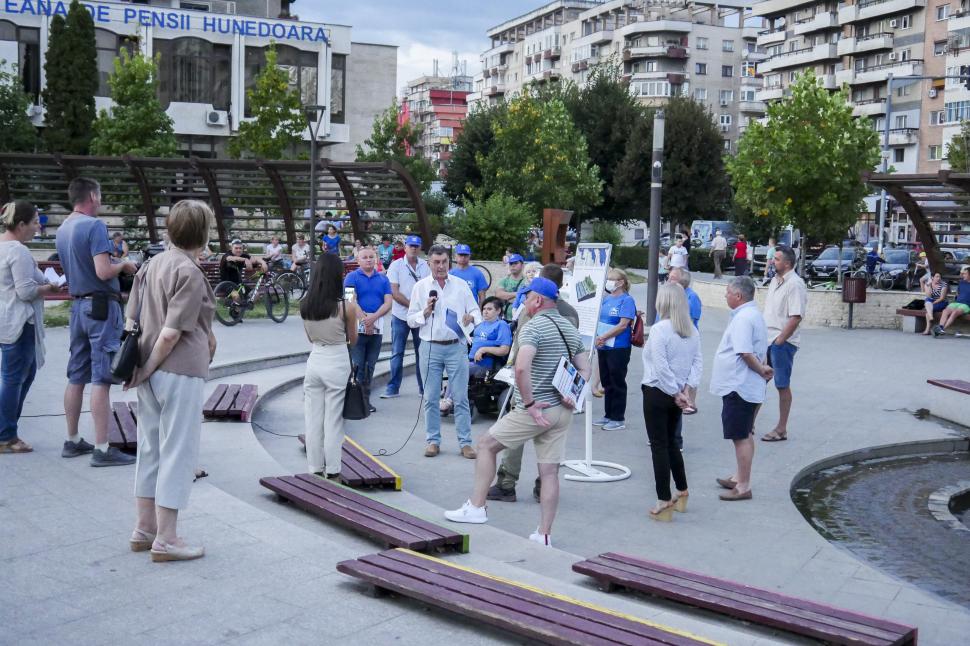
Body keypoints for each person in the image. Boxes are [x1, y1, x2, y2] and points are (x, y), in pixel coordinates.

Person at [445, 277, 589, 546]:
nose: (523, 303)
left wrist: (531, 404)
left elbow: (521, 368)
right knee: (549, 473)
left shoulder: (532, 327)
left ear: (538, 300)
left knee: (486, 445)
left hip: (536, 409)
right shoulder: (568, 328)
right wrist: (572, 395)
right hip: (561, 410)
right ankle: (544, 534)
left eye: (526, 297)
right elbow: (585, 367)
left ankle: (476, 507)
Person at [124, 200, 217, 562]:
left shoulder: (151, 265)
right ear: (203, 233)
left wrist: (141, 369)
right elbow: (171, 333)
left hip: (148, 369)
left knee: (149, 448)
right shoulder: (188, 271)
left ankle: (144, 528)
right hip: (178, 370)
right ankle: (167, 539)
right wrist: (149, 367)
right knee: (178, 452)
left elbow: (131, 320)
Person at [56, 177, 138, 467]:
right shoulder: (94, 226)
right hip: (101, 307)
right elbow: (103, 272)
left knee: (76, 375)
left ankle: (73, 439)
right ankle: (103, 449)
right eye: (100, 196)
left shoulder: (63, 229)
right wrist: (124, 265)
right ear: (92, 195)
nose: (101, 202)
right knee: (102, 377)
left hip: (78, 306)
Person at [488, 264, 580, 503]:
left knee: (509, 438)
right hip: (559, 390)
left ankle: (507, 483)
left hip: (530, 386)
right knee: (551, 445)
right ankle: (543, 486)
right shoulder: (570, 313)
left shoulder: (531, 310)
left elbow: (521, 347)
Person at [408, 245, 482, 458]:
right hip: (430, 346)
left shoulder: (460, 285)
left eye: (444, 262)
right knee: (431, 397)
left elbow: (475, 310)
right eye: (436, 262)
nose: (440, 266)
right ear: (429, 263)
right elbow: (410, 320)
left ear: (449, 262)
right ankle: (433, 441)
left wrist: (472, 317)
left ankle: (465, 443)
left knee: (460, 397)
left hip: (456, 346)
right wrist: (425, 312)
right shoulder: (420, 287)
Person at [641, 283, 702, 521]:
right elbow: (697, 363)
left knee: (659, 445)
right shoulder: (692, 330)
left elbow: (660, 364)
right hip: (677, 393)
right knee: (672, 443)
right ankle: (682, 489)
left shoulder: (660, 329)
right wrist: (686, 389)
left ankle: (663, 499)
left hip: (658, 391)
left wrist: (677, 392)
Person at [0, 201, 58, 454]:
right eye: (35, 222)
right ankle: (6, 436)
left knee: (21, 374)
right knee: (14, 378)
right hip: (20, 322)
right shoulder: (18, 251)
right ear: (21, 224)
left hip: (6, 320)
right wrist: (49, 289)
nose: (38, 227)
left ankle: (6, 428)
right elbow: (25, 292)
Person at [711, 277, 773, 501]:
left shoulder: (744, 318)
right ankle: (739, 477)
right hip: (742, 384)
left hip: (739, 385)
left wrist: (761, 370)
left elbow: (745, 352)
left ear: (738, 296)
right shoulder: (750, 314)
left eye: (728, 292)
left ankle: (743, 486)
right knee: (744, 432)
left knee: (741, 435)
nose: (725, 295)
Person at [301, 253, 358, 479]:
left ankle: (314, 467)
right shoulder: (346, 307)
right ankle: (333, 469)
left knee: (313, 419)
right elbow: (353, 340)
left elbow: (309, 338)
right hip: (337, 359)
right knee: (333, 421)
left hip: (315, 358)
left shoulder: (305, 305)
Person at [761, 245, 807, 442]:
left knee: (781, 384)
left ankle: (781, 429)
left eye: (777, 259)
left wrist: (780, 341)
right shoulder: (775, 280)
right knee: (758, 381)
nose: (773, 261)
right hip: (767, 339)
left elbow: (796, 316)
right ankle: (749, 423)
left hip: (782, 342)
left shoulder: (795, 284)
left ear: (787, 263)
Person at [440, 296, 512, 412]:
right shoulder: (481, 325)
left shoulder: (501, 325)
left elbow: (504, 350)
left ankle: (449, 400)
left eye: (489, 309)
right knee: (454, 365)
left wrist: (484, 349)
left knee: (460, 368)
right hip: (471, 361)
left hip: (487, 364)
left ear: (498, 311)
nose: (485, 311)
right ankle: (447, 398)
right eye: (484, 309)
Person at [344, 247, 392, 412]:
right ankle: (355, 401)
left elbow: (388, 302)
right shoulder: (351, 277)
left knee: (370, 365)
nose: (369, 259)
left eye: (371, 257)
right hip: (356, 329)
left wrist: (373, 318)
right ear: (358, 260)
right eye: (364, 257)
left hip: (377, 328)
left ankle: (365, 400)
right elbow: (350, 300)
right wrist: (366, 320)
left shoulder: (383, 279)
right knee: (357, 365)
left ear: (376, 259)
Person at [383, 235, 430, 398]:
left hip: (420, 317)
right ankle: (393, 388)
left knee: (421, 353)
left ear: (420, 248)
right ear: (405, 248)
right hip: (400, 316)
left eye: (416, 246)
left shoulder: (425, 265)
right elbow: (394, 292)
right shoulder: (396, 265)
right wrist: (414, 307)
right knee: (397, 352)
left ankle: (423, 388)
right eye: (411, 246)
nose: (414, 248)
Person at [593, 268, 636, 432]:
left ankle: (618, 418)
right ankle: (608, 415)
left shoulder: (627, 300)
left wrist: (604, 336)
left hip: (618, 346)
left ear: (621, 282)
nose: (608, 282)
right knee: (606, 380)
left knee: (617, 381)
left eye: (611, 279)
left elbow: (623, 325)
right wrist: (599, 337)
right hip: (604, 345)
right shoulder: (606, 298)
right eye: (608, 279)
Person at [934, 266, 970, 336]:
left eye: (965, 274)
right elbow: (957, 293)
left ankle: (942, 329)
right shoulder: (961, 283)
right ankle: (940, 327)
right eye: (963, 274)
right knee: (945, 311)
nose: (963, 275)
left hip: (967, 305)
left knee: (955, 312)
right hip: (957, 303)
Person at [495, 254, 526, 320]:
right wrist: (518, 294)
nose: (513, 266)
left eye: (516, 263)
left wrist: (507, 297)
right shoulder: (504, 280)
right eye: (511, 263)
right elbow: (499, 294)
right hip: (504, 318)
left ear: (522, 265)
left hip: (521, 319)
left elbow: (526, 300)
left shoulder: (527, 281)